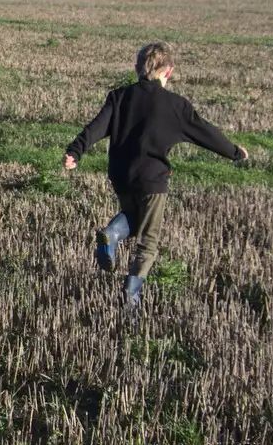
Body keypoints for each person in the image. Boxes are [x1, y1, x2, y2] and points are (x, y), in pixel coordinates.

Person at [63, 42, 248, 307]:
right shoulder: (176, 106)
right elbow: (206, 133)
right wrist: (234, 152)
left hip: (121, 175)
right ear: (168, 72)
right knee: (148, 242)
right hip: (152, 179)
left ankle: (113, 233)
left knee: (135, 220)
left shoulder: (120, 96)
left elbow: (96, 127)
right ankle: (131, 297)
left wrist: (76, 151)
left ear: (136, 68)